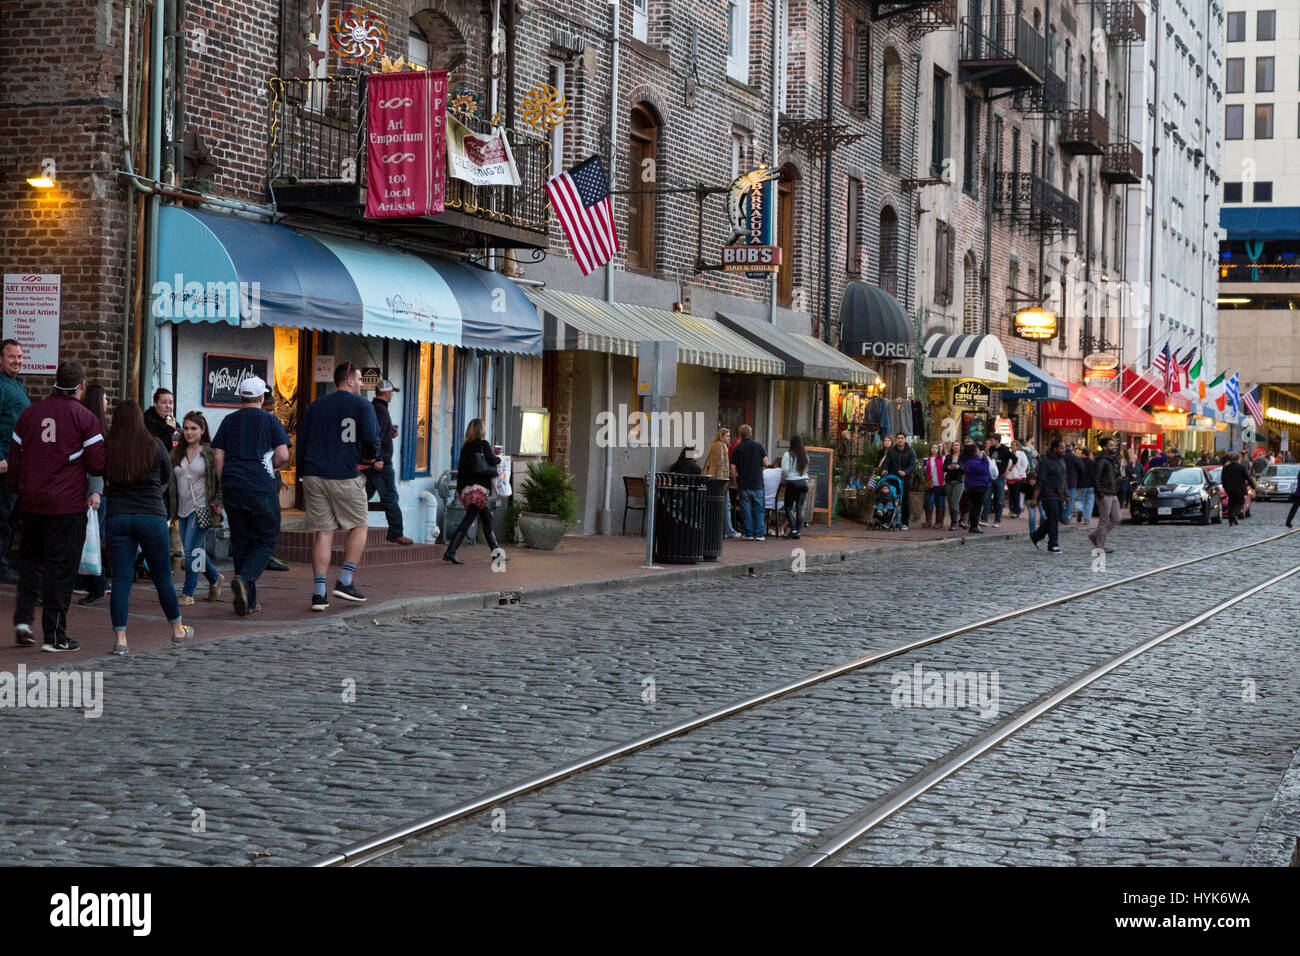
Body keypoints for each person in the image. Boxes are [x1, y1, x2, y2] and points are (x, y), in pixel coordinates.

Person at [9, 361, 106, 651]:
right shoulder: (85, 418)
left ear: (55, 381)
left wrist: (20, 490)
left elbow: (15, 459)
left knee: (30, 564)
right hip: (66, 505)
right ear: (82, 386)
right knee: (60, 570)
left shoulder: (30, 414)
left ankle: (23, 621)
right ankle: (55, 635)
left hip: (32, 503)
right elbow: (98, 464)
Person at [103, 400, 194, 656]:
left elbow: (101, 473)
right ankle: (177, 631)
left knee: (121, 579)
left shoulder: (110, 448)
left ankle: (121, 640)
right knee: (162, 576)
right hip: (151, 515)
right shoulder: (154, 445)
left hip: (118, 515)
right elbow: (166, 475)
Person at [299, 362, 381, 610]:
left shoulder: (315, 405)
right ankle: (345, 580)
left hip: (313, 474)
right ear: (348, 380)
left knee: (324, 532)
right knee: (359, 525)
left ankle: (319, 593)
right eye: (358, 379)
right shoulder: (361, 405)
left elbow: (302, 440)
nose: (361, 384)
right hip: (344, 472)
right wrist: (372, 457)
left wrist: (302, 474)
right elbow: (371, 437)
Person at [211, 376, 290, 617]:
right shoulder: (270, 420)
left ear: (241, 398)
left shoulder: (229, 421)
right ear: (262, 397)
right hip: (261, 486)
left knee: (242, 541)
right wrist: (271, 467)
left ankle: (249, 601)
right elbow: (283, 455)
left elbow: (217, 457)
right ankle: (244, 580)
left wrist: (225, 481)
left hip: (234, 486)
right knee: (266, 537)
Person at [169, 411, 224, 607]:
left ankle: (188, 592)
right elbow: (171, 482)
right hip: (182, 508)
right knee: (196, 550)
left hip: (202, 508)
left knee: (191, 550)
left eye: (194, 428)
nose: (189, 432)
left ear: (202, 431)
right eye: (186, 428)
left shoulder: (209, 453)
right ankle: (214, 578)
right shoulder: (176, 453)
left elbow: (220, 481)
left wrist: (217, 503)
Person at [443, 418, 505, 564]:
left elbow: (462, 471)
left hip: (467, 490)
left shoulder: (465, 447)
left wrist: (459, 491)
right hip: (478, 490)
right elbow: (492, 461)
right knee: (468, 520)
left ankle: (496, 553)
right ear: (481, 430)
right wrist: (499, 458)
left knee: (487, 519)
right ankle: (450, 552)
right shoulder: (483, 444)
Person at [75, 384, 111, 605]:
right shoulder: (95, 425)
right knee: (90, 538)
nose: (107, 402)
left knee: (89, 538)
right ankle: (94, 582)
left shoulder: (92, 425)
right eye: (105, 399)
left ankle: (96, 583)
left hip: (94, 492)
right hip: (95, 491)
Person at [367, 379, 412, 546]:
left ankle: (343, 521)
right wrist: (378, 458)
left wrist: (389, 432)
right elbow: (375, 436)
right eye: (391, 392)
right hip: (381, 463)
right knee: (390, 498)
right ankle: (396, 532)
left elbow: (377, 432)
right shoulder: (381, 410)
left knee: (363, 495)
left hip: (372, 462)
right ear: (386, 393)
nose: (392, 394)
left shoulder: (375, 408)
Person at [0, 338, 30, 584]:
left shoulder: (17, 385)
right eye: (12, 357)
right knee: (2, 516)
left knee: (11, 516)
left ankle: (4, 561)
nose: (17, 361)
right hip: (4, 465)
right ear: (0, 359)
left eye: (20, 357)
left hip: (17, 465)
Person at [730, 424, 769, 540]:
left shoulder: (737, 448)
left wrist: (736, 478)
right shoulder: (758, 446)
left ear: (740, 434)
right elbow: (766, 463)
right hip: (757, 482)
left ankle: (749, 533)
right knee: (759, 509)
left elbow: (732, 467)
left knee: (745, 509)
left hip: (743, 483)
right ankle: (760, 534)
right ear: (750, 434)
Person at [1030, 438, 1067, 553]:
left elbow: (1064, 478)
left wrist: (1067, 495)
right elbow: (1040, 480)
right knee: (1053, 520)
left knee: (1055, 518)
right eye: (1062, 448)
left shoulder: (1061, 460)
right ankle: (1053, 544)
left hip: (1059, 494)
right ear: (1055, 449)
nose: (1064, 450)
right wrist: (1035, 498)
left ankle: (1036, 536)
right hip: (1048, 495)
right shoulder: (1045, 461)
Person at [703, 427, 740, 539]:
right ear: (721, 436)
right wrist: (721, 481)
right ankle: (728, 531)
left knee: (722, 505)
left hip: (718, 480)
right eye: (727, 436)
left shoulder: (718, 445)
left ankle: (723, 530)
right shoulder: (720, 445)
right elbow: (720, 463)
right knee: (725, 505)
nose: (729, 438)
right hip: (720, 480)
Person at [1090, 437, 1121, 554]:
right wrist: (1100, 494)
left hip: (1113, 493)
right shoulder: (1102, 460)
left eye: (1114, 445)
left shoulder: (1111, 460)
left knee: (1116, 518)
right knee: (1104, 520)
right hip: (1104, 494)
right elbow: (1096, 478)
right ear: (1104, 447)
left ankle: (1095, 536)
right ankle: (1100, 547)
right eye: (1111, 445)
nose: (1114, 447)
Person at [882, 432, 917, 530]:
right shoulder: (892, 451)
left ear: (905, 440)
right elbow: (887, 462)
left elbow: (913, 466)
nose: (900, 440)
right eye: (898, 438)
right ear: (896, 440)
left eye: (902, 438)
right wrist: (885, 470)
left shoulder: (910, 451)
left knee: (904, 501)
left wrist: (905, 472)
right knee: (891, 499)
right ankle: (888, 521)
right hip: (893, 479)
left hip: (906, 480)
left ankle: (905, 522)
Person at [779, 435, 810, 539]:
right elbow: (806, 470)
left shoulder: (788, 455)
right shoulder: (805, 455)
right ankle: (798, 531)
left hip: (792, 483)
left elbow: (785, 470)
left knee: (788, 507)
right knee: (799, 507)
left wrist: (784, 479)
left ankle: (794, 530)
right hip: (804, 483)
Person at [982, 434, 1012, 527]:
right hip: (991, 477)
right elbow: (989, 460)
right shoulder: (991, 449)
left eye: (992, 440)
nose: (991, 442)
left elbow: (1015, 459)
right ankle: (984, 519)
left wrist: (1008, 471)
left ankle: (997, 521)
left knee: (999, 500)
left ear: (997, 440)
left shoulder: (1005, 449)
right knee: (987, 498)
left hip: (1000, 477)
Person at [961, 445, 991, 535]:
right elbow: (984, 469)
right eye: (977, 450)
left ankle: (974, 525)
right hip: (977, 487)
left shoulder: (973, 461)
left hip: (978, 486)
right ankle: (974, 526)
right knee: (976, 507)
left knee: (976, 507)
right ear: (973, 452)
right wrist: (985, 459)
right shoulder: (971, 462)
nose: (979, 452)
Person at [1220, 451, 1254, 526]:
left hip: (1229, 490)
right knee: (1240, 503)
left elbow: (1223, 479)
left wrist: (1225, 487)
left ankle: (1231, 519)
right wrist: (1253, 486)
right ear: (1238, 460)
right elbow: (1247, 478)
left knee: (1231, 504)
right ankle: (1234, 514)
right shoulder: (1241, 467)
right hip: (1240, 490)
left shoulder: (1226, 468)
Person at [921, 442, 945, 529]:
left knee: (938, 503)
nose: (934, 449)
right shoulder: (927, 458)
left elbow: (945, 471)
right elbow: (924, 471)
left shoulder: (942, 458)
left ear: (938, 450)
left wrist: (944, 482)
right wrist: (923, 466)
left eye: (936, 448)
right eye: (933, 448)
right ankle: (928, 521)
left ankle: (939, 522)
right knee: (927, 502)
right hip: (930, 484)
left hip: (939, 483)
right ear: (930, 449)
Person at [942, 440, 964, 532]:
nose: (955, 447)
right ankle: (953, 520)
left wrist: (959, 467)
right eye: (953, 445)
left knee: (955, 503)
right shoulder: (948, 457)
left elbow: (966, 468)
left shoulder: (963, 457)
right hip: (949, 481)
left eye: (957, 445)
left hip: (959, 481)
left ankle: (954, 523)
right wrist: (948, 467)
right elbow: (943, 468)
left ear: (960, 447)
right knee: (950, 503)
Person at [1004, 439, 1028, 518]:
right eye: (1012, 444)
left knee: (1016, 495)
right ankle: (1012, 510)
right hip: (1009, 477)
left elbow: (1024, 465)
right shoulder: (1008, 454)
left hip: (1018, 478)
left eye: (1014, 445)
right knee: (1011, 495)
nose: (1012, 446)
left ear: (1017, 447)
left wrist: (1020, 474)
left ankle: (1017, 512)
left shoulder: (1021, 454)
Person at [1073, 447, 1096, 525]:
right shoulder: (1092, 463)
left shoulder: (1079, 462)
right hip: (1091, 485)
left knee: (1078, 499)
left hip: (1081, 484)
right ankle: (1087, 519)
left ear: (1083, 454)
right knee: (1089, 502)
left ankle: (1079, 509)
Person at [1063, 442, 1081, 521]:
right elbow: (1081, 468)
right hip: (1071, 481)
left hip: (1061, 481)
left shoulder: (1062, 457)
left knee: (1061, 499)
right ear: (1072, 449)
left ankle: (1062, 515)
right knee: (1069, 499)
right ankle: (1066, 517)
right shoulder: (1074, 457)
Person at [1022, 470, 1042, 537]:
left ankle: (1042, 530)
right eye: (1030, 481)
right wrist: (1021, 505)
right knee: (1032, 516)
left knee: (1044, 514)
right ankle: (1033, 532)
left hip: (1039, 500)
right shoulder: (1025, 485)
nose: (1032, 483)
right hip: (1029, 500)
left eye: (1033, 481)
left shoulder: (1038, 484)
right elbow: (1022, 495)